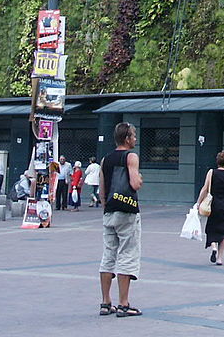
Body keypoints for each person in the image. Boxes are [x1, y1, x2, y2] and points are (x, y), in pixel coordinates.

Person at [99, 122, 144, 318]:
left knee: (108, 255)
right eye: (133, 136)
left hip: (109, 211)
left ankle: (105, 302)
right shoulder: (131, 157)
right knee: (127, 254)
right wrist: (140, 179)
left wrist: (106, 205)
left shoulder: (105, 159)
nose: (135, 139)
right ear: (126, 138)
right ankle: (124, 304)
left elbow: (102, 189)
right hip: (127, 211)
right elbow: (134, 183)